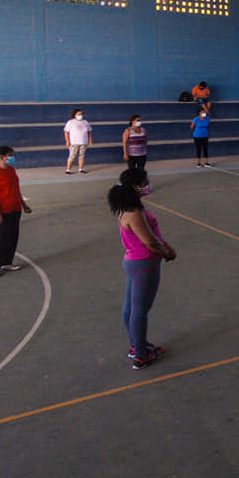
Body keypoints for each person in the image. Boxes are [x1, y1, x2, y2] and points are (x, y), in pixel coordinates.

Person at [108, 167, 176, 369]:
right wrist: (167, 253)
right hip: (143, 263)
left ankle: (137, 344)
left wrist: (165, 244)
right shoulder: (134, 212)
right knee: (139, 310)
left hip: (134, 262)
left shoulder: (127, 208)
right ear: (135, 186)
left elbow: (153, 235)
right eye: (145, 183)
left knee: (131, 307)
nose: (148, 186)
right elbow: (149, 242)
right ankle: (140, 354)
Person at [0, 146, 32, 278]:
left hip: (15, 209)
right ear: (1, 157)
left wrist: (23, 204)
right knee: (0, 238)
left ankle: (6, 262)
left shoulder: (11, 170)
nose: (12, 158)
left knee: (12, 236)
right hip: (2, 211)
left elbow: (16, 188)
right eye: (10, 155)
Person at [64, 108, 92, 174]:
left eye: (81, 114)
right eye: (79, 114)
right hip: (74, 142)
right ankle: (68, 169)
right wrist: (67, 141)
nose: (80, 115)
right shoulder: (70, 122)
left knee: (81, 156)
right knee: (72, 156)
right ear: (74, 115)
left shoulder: (85, 122)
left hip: (83, 142)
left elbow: (89, 132)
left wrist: (90, 140)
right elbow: (66, 132)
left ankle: (80, 169)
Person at [122, 114, 149, 179]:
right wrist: (125, 154)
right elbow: (124, 143)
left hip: (142, 155)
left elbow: (145, 140)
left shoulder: (143, 130)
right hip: (131, 156)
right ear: (132, 121)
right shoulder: (128, 131)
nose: (139, 122)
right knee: (132, 172)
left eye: (140, 120)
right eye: (138, 120)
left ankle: (140, 183)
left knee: (141, 171)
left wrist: (145, 149)